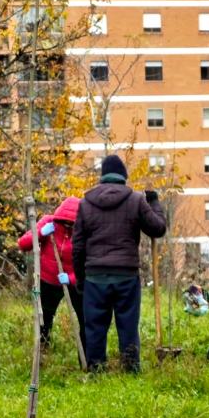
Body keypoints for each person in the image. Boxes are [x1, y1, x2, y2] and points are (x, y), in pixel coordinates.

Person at [72, 154, 166, 372]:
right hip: (126, 275)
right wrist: (154, 202)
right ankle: (131, 369)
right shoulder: (135, 200)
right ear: (123, 176)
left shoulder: (85, 204)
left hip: (95, 276)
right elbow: (158, 228)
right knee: (127, 326)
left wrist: (81, 279)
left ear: (102, 177)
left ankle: (96, 370)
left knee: (94, 327)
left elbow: (78, 246)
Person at [18, 196, 84, 350]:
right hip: (48, 280)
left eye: (71, 222)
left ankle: (86, 354)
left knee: (84, 317)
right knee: (44, 317)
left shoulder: (84, 230)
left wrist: (72, 278)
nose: (68, 225)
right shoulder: (49, 222)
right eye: (64, 221)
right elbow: (23, 243)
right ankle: (43, 347)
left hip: (72, 281)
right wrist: (40, 233)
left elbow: (88, 261)